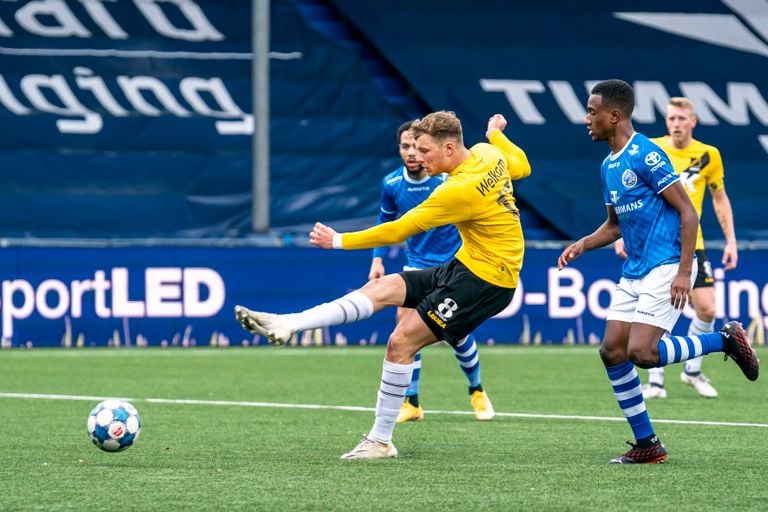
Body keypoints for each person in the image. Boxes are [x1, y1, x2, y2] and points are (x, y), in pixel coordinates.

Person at [236, 110, 531, 459]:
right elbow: (522, 165)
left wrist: (338, 241)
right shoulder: (487, 152)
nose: (418, 157)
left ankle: (380, 440)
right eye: (414, 149)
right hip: (468, 264)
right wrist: (496, 134)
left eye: (424, 150)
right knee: (384, 287)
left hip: (488, 282)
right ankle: (289, 323)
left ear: (449, 148)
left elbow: (397, 230)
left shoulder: (457, 190)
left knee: (400, 342)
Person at [558, 79, 758, 464]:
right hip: (635, 269)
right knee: (612, 351)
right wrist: (583, 243)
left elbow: (688, 211)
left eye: (592, 111)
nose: (587, 119)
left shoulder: (646, 155)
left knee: (643, 353)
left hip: (667, 263)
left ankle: (724, 341)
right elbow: (614, 225)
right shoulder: (608, 165)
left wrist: (685, 271)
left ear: (614, 116)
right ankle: (647, 444)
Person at [370, 120, 494, 424]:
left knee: (458, 333)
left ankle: (476, 390)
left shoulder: (445, 179)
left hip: (455, 263)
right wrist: (377, 260)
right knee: (405, 327)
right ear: (399, 149)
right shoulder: (392, 184)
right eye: (405, 146)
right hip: (417, 263)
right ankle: (411, 403)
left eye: (416, 146)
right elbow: (386, 223)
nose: (411, 153)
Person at [614, 97, 738, 399]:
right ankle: (655, 382)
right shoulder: (651, 149)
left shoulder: (709, 155)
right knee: (658, 312)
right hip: (656, 245)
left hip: (693, 243)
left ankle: (691, 371)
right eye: (672, 119)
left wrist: (731, 240)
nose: (677, 124)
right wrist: (622, 233)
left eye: (682, 118)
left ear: (693, 121)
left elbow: (719, 199)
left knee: (707, 308)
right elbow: (631, 194)